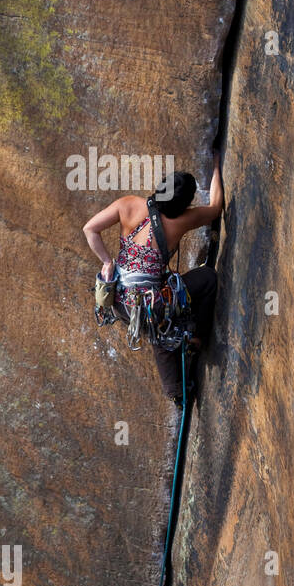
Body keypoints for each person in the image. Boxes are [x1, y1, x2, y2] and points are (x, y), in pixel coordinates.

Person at [82, 155, 225, 404]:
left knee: (159, 317)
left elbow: (90, 229)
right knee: (206, 278)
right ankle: (193, 337)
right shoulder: (181, 220)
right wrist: (216, 165)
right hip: (151, 306)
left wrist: (107, 261)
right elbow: (215, 208)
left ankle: (175, 385)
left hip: (119, 301)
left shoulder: (128, 204)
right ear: (183, 205)